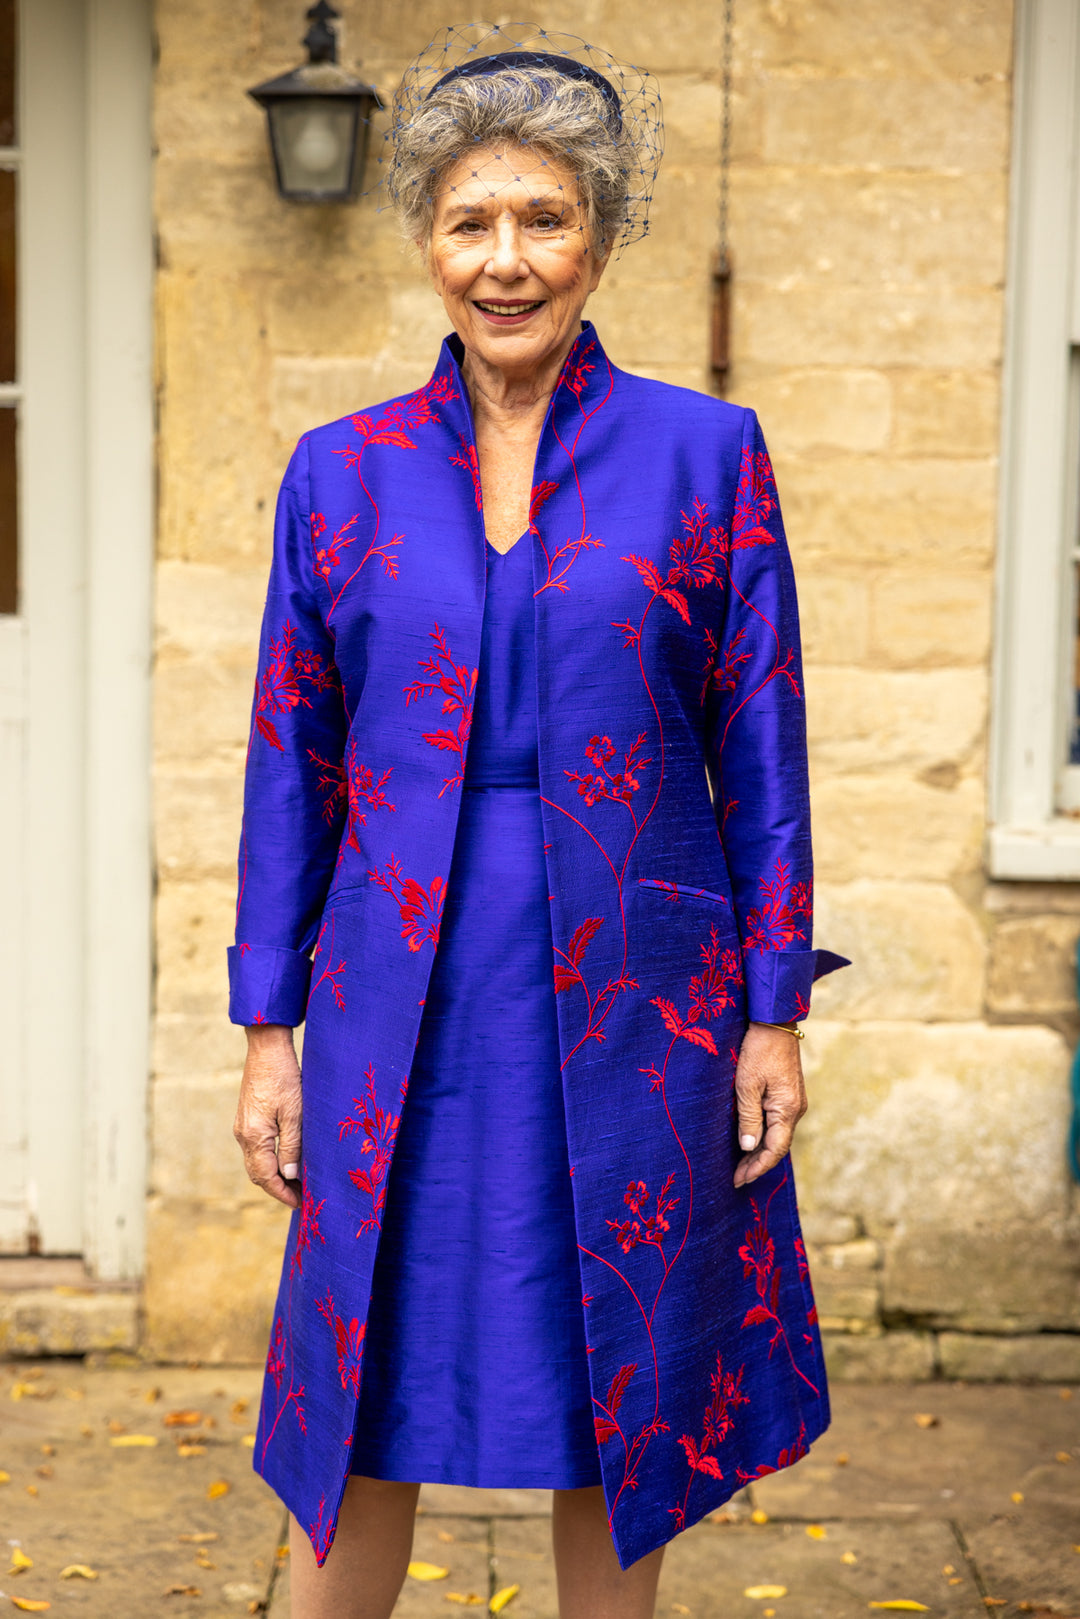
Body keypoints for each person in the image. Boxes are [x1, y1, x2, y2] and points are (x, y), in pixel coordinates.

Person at [229, 27, 847, 1619]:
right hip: (395, 1002)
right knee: (362, 1385)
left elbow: (759, 741)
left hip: (642, 993)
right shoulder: (338, 474)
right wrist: (267, 1030)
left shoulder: (708, 455)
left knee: (614, 1395)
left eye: (545, 218)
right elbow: (290, 758)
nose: (507, 261)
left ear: (603, 233)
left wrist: (775, 1013)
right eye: (471, 221)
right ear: (429, 241)